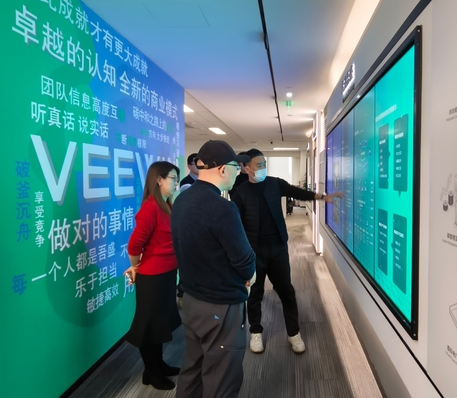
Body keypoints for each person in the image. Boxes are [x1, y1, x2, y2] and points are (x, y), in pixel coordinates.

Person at [230, 148, 342, 354]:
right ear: (246, 168)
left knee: (287, 291)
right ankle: (256, 332)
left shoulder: (275, 184)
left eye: (264, 164)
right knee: (255, 294)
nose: (263, 168)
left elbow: (296, 192)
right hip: (254, 252)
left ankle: (294, 333)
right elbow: (235, 227)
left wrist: (322, 197)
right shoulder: (240, 194)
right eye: (259, 165)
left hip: (278, 249)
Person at [171, 140, 257, 398]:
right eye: (236, 167)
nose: (238, 172)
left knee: (193, 370)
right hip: (220, 306)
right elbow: (244, 260)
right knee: (222, 378)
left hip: (191, 300)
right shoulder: (222, 208)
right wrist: (248, 277)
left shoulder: (181, 201)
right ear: (222, 169)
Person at [124, 161, 182, 391]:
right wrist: (136, 267)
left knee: (159, 324)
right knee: (149, 326)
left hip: (166, 274)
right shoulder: (150, 208)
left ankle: (159, 364)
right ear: (159, 180)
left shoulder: (166, 205)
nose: (176, 183)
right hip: (152, 277)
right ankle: (151, 372)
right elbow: (134, 245)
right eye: (173, 178)